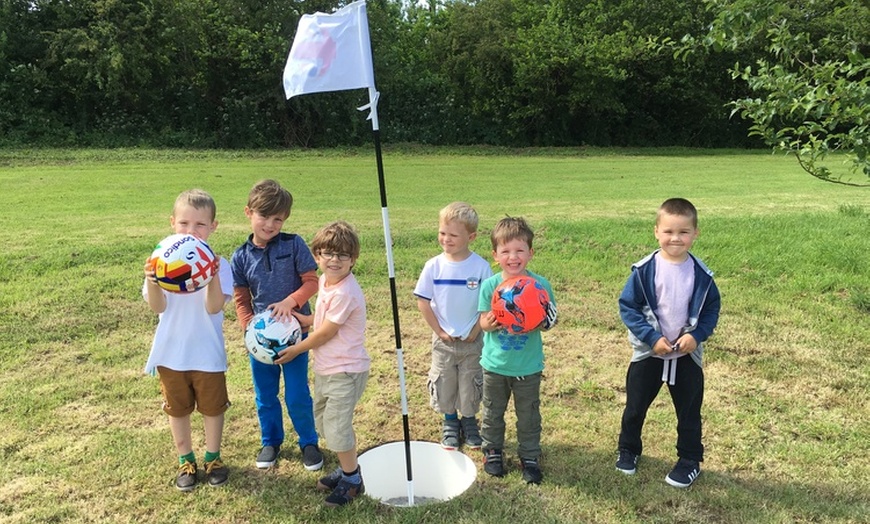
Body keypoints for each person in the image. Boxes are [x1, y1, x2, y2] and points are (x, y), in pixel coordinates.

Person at [615, 197, 721, 488]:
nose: (676, 238)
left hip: (686, 356)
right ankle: (628, 450)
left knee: (688, 411)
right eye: (669, 231)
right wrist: (652, 338)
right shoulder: (644, 270)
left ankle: (689, 460)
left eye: (684, 232)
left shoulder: (702, 275)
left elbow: (711, 309)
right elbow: (629, 307)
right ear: (656, 232)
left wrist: (695, 336)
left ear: (695, 233)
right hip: (649, 354)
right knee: (635, 406)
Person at [274, 221, 370, 507]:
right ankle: (346, 465)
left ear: (353, 259)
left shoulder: (345, 292)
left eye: (342, 255)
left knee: (338, 428)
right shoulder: (328, 283)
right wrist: (299, 320)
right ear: (317, 256)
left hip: (346, 369)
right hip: (327, 368)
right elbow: (321, 322)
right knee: (325, 423)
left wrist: (295, 350)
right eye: (328, 253)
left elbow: (327, 332)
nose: (335, 260)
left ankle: (353, 479)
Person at [143, 189, 233, 491]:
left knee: (212, 408)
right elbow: (159, 307)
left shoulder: (221, 263)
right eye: (184, 224)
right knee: (178, 409)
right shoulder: (162, 261)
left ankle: (213, 458)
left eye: (200, 225)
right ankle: (186, 460)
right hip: (171, 353)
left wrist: (213, 275)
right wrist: (151, 280)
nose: (191, 231)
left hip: (207, 353)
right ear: (172, 223)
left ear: (213, 226)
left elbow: (213, 306)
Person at [231, 179, 323, 471]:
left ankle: (309, 442)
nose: (270, 225)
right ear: (248, 213)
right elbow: (242, 299)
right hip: (260, 345)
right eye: (263, 216)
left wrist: (290, 302)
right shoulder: (240, 256)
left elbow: (312, 282)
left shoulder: (293, 244)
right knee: (265, 395)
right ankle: (270, 441)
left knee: (297, 393)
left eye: (278, 219)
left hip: (296, 338)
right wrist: (248, 328)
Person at [478, 216, 557, 484]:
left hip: (528, 365)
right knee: (491, 411)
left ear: (530, 253)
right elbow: (482, 322)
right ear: (495, 255)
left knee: (529, 415)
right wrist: (488, 323)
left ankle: (530, 456)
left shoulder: (540, 286)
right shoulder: (490, 286)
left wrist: (545, 321)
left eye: (520, 250)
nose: (513, 257)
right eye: (506, 251)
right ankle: (493, 451)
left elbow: (549, 320)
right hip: (494, 365)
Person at [414, 202, 492, 451]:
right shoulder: (433, 266)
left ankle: (469, 422)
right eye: (442, 233)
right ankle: (449, 422)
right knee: (444, 381)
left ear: (471, 237)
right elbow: (423, 302)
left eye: (453, 235)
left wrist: (476, 329)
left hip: (472, 339)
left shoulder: (480, 267)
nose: (446, 239)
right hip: (443, 341)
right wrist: (439, 331)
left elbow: (487, 302)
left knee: (471, 382)